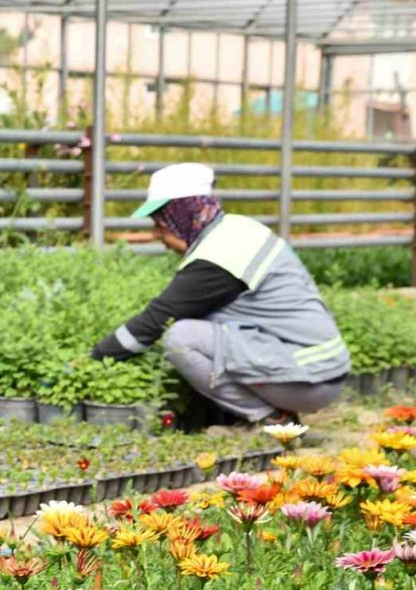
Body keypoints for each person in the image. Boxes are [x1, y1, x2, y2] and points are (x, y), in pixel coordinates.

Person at [91, 162, 349, 424]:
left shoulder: (219, 255)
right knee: (198, 323)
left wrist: (94, 360)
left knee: (180, 338)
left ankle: (273, 419)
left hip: (311, 376)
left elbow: (155, 320)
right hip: (319, 368)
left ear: (181, 214)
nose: (157, 234)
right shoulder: (235, 230)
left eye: (160, 222)